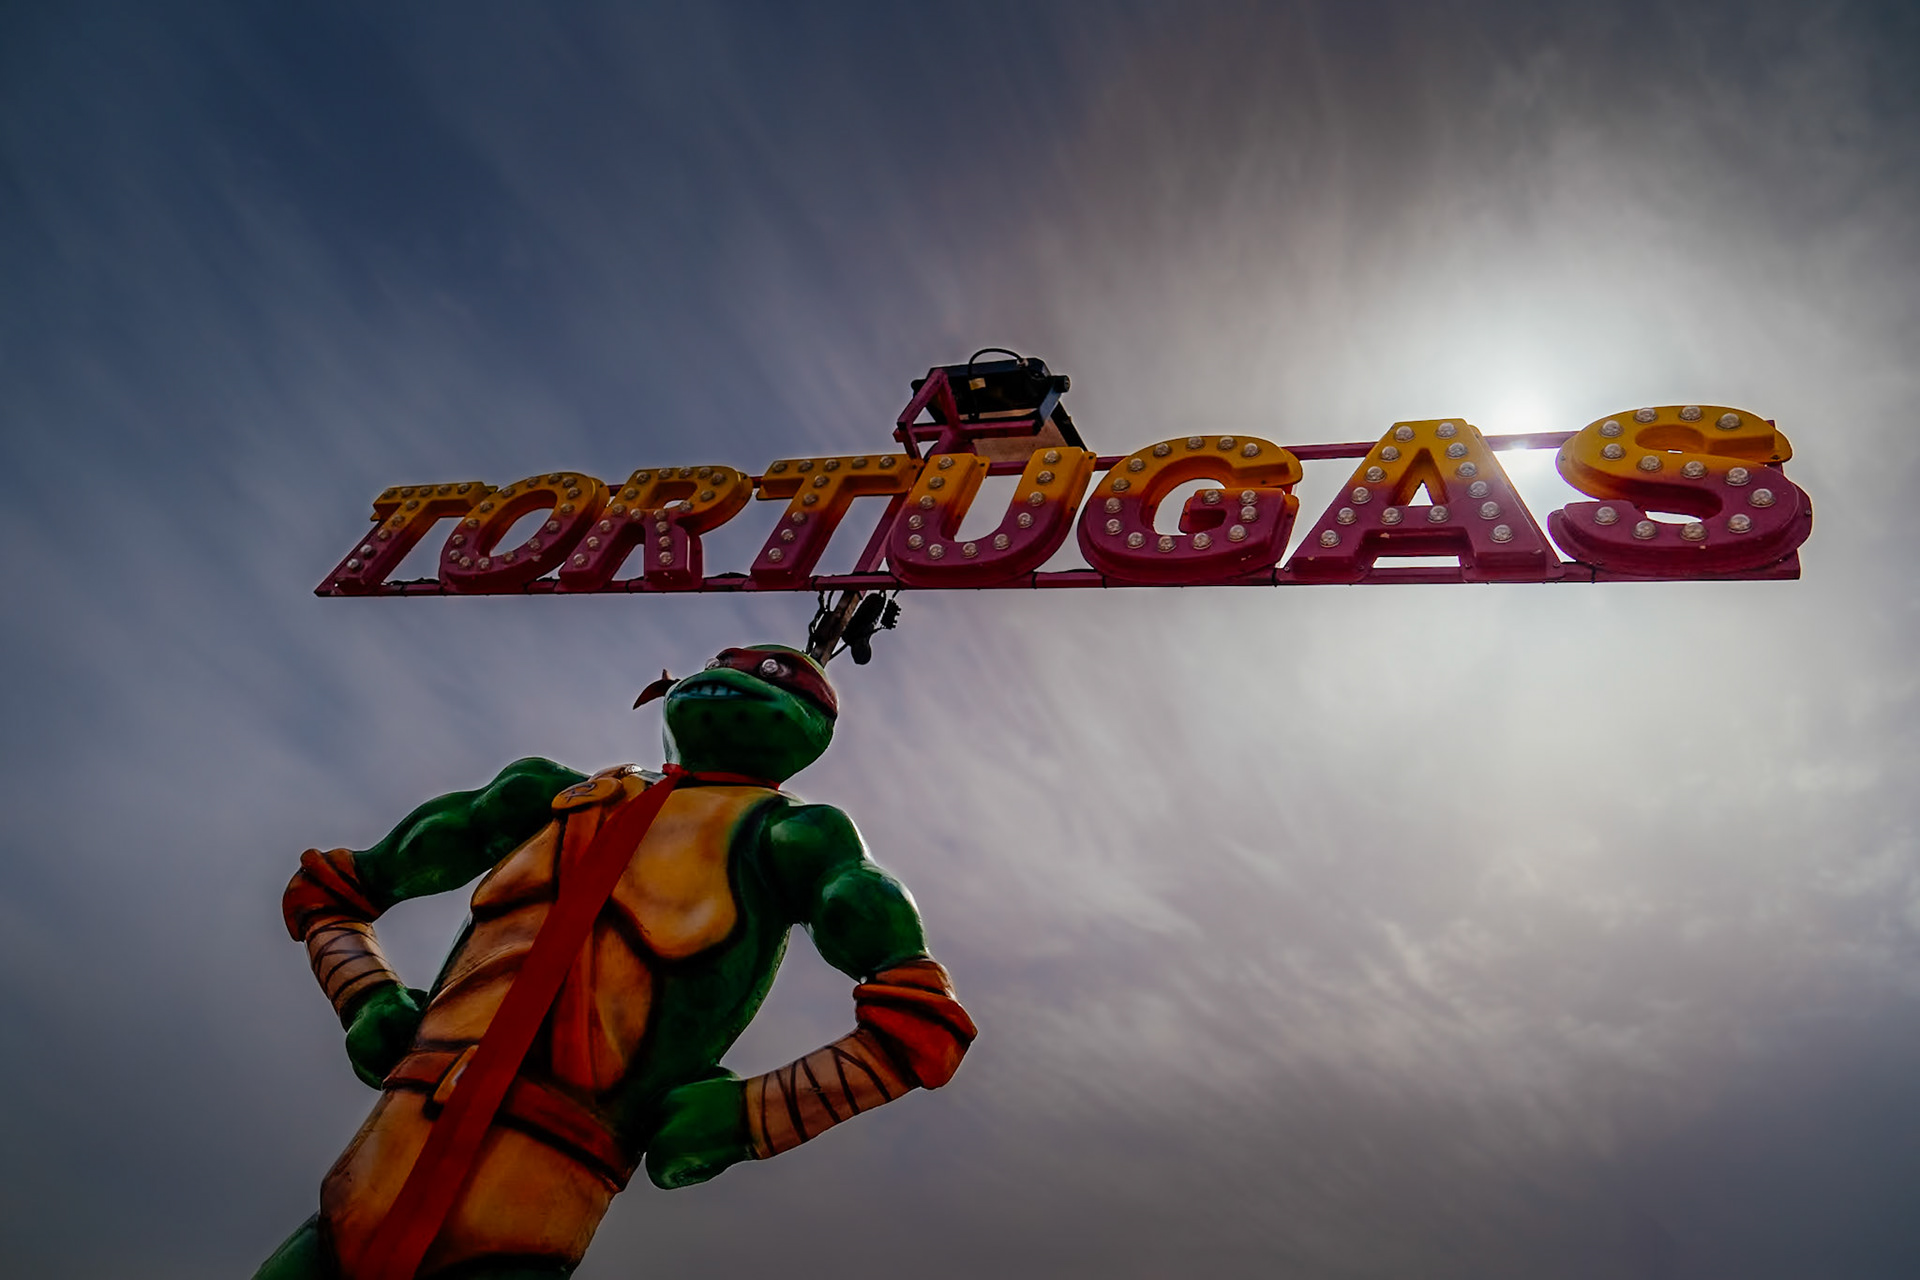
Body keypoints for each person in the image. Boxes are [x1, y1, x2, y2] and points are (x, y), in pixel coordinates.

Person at [256, 644, 976, 1279]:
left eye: (774, 674)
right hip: (376, 1163)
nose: (734, 675)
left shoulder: (794, 836)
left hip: (537, 1200)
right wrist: (368, 996)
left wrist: (757, 1113)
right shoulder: (545, 795)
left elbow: (920, 1023)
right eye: (723, 664)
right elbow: (329, 894)